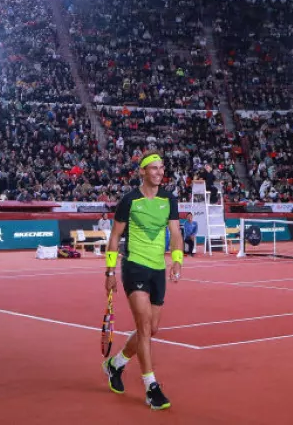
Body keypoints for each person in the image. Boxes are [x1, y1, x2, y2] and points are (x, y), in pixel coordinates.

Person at [102, 153, 184, 410]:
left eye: (162, 168)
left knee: (152, 328)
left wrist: (178, 260)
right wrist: (110, 271)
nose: (160, 173)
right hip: (135, 266)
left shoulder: (168, 199)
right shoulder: (129, 200)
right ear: (143, 172)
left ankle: (115, 365)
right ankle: (151, 386)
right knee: (144, 325)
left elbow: (175, 232)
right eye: (154, 169)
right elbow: (115, 236)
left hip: (158, 269)